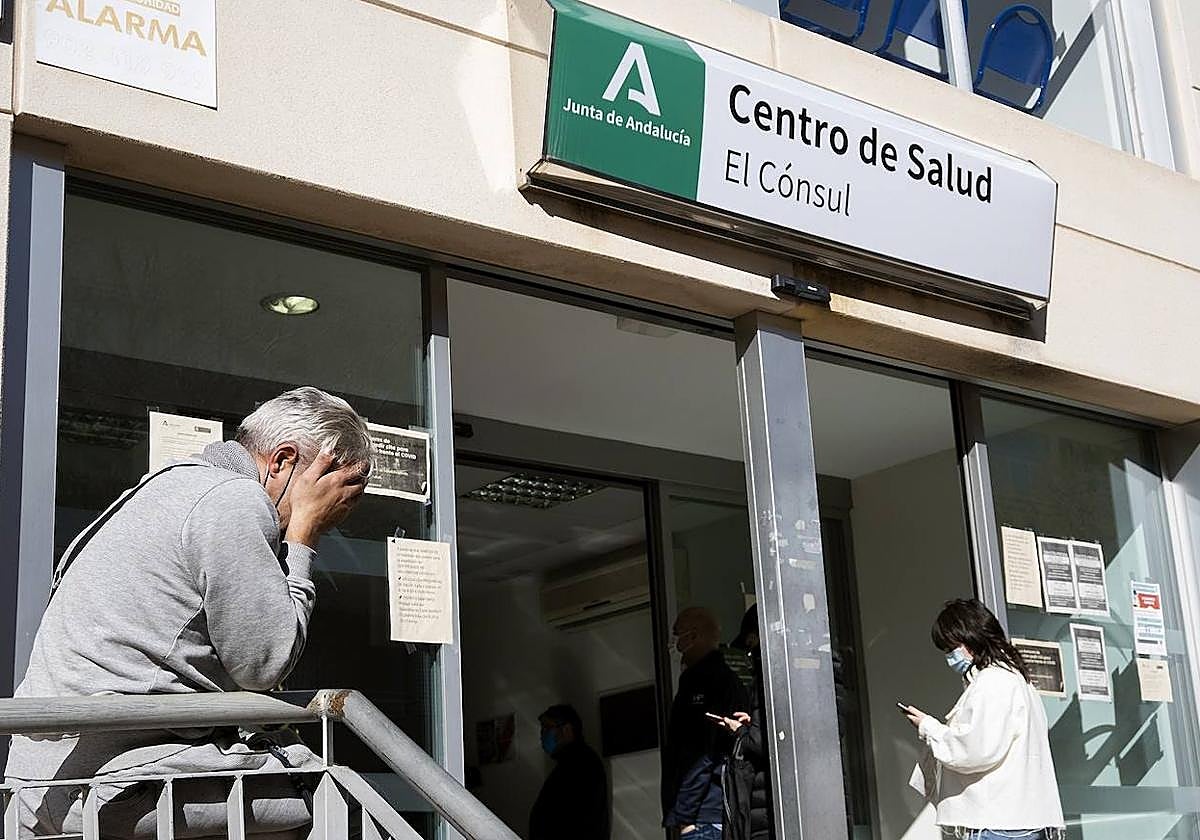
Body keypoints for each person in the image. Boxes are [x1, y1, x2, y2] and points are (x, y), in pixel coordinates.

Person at [4, 387, 372, 839]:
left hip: (40, 785)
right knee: (332, 794)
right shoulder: (232, 500)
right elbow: (264, 663)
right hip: (117, 785)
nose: (336, 517)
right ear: (282, 460)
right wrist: (304, 537)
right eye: (337, 497)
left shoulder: (169, 484)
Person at [902, 599, 1066, 840]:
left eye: (951, 648)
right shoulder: (1017, 679)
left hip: (999, 824)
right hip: (1018, 821)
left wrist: (928, 727)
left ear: (971, 638)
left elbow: (975, 749)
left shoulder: (993, 682)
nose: (949, 657)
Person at [662, 607, 748, 840]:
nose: (673, 641)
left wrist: (685, 816)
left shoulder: (704, 682)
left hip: (704, 815)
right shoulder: (724, 680)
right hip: (710, 811)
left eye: (676, 633)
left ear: (693, 635)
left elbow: (701, 752)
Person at [711, 605, 773, 840]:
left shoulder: (768, 679)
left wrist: (741, 732)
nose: (750, 654)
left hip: (767, 805)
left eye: (751, 644)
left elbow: (767, 742)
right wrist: (751, 725)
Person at [529, 704, 610, 840]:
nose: (542, 734)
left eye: (547, 728)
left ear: (566, 730)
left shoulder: (581, 764)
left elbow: (576, 818)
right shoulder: (571, 763)